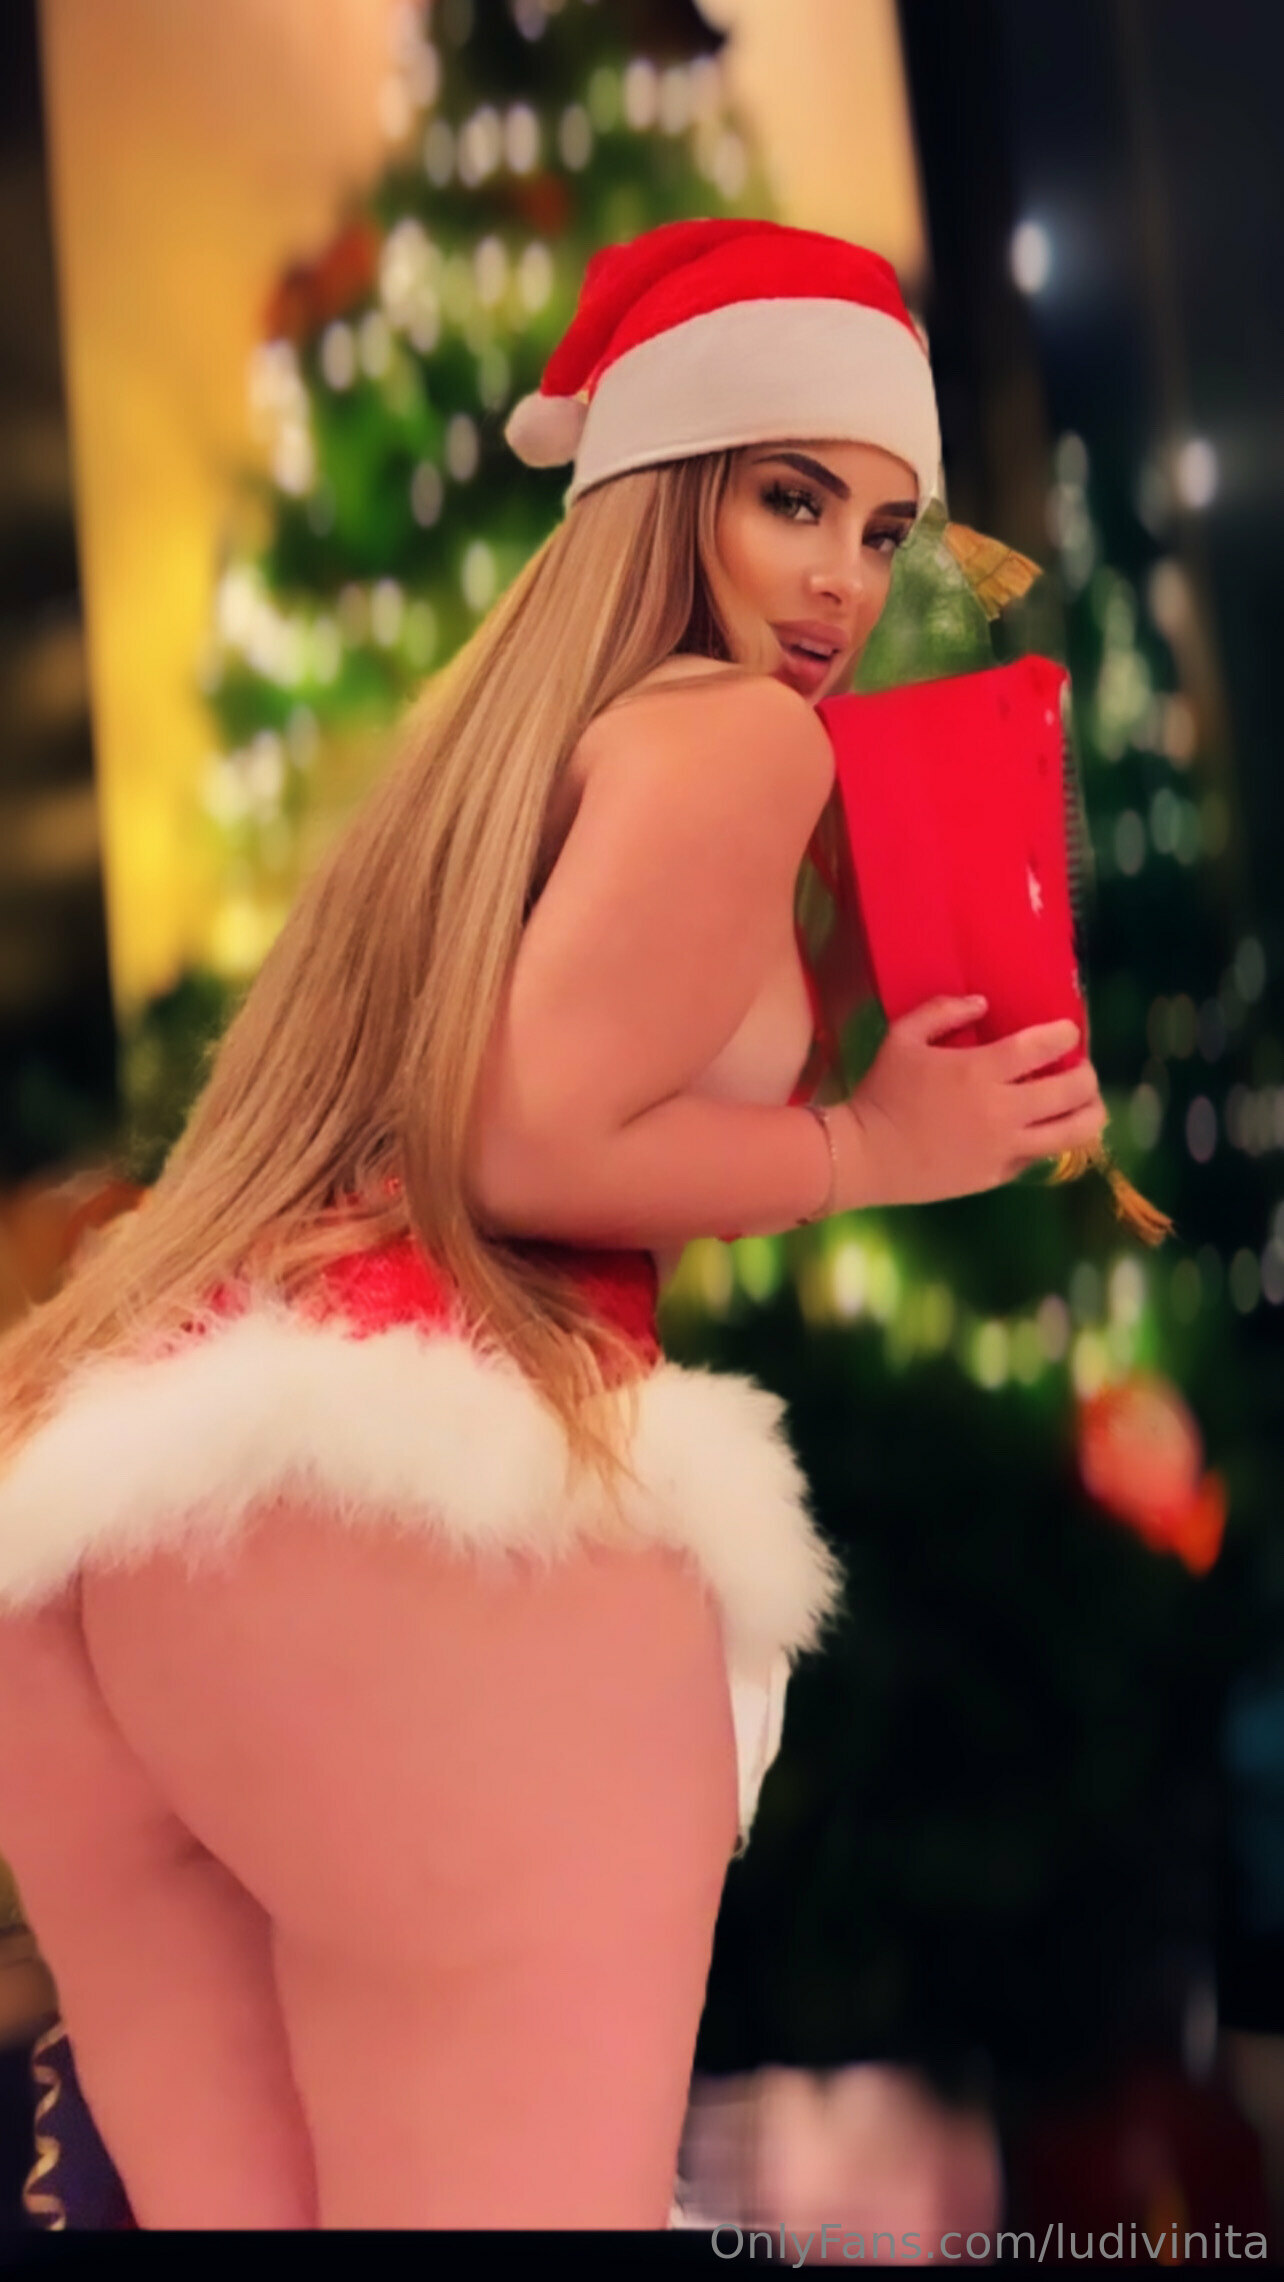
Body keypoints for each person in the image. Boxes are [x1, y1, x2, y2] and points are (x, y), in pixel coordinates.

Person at [0, 217, 1106, 2230]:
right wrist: (871, 1145)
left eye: (883, 527)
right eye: (790, 499)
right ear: (666, 487)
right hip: (432, 1520)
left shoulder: (477, 763)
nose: (845, 582)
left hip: (117, 1543)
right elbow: (522, 1141)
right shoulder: (736, 735)